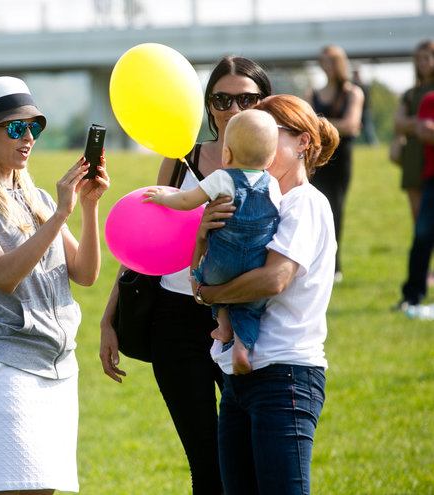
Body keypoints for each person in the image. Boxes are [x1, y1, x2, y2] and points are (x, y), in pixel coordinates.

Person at [100, 55, 272, 495]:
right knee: (206, 460)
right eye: (221, 99)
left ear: (264, 102)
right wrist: (108, 320)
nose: (233, 110)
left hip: (245, 321)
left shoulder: (273, 169)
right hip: (175, 322)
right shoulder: (182, 159)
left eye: (246, 99)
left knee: (252, 458)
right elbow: (142, 244)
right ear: (207, 105)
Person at [0, 76, 109, 495]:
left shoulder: (38, 198)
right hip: (6, 365)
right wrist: (59, 217)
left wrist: (87, 208)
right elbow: (1, 274)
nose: (28, 136)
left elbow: (86, 273)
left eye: (34, 126)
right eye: (16, 127)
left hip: (58, 368)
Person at [195, 94, 339, 495]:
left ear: (302, 143)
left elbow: (273, 279)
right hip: (239, 377)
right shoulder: (259, 203)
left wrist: (208, 293)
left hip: (286, 375)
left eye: (268, 132)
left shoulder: (304, 203)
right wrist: (206, 234)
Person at [143, 109, 281, 375]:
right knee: (250, 306)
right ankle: (241, 347)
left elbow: (186, 201)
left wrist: (162, 197)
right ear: (271, 157)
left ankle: (223, 324)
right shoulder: (273, 185)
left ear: (226, 154)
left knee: (206, 280)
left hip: (220, 264)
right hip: (255, 265)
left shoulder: (222, 178)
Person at [306, 45, 363, 283]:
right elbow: (305, 123)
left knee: (336, 209)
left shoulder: (353, 93)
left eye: (330, 61)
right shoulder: (313, 93)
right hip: (315, 159)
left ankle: (334, 266)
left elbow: (352, 125)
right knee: (311, 209)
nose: (325, 65)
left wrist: (320, 125)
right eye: (322, 60)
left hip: (341, 159)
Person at [396, 90, 434, 309]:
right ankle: (412, 295)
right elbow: (423, 132)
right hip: (432, 179)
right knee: (422, 236)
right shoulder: (429, 99)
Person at [392, 40, 434, 224]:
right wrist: (420, 123)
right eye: (419, 59)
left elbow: (405, 123)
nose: (423, 63)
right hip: (413, 156)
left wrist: (414, 124)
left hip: (431, 153)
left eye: (427, 58)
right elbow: (398, 123)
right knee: (419, 222)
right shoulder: (410, 93)